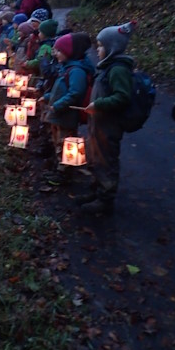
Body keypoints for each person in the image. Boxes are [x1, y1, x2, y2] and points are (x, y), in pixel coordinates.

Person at [77, 21, 137, 215]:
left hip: (109, 125)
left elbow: (122, 97)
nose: (98, 49)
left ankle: (106, 199)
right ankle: (96, 191)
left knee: (107, 160)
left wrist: (99, 105)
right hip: (98, 124)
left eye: (101, 46)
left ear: (111, 48)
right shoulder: (107, 67)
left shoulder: (118, 70)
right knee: (95, 157)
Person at [41, 32, 94, 182]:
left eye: (59, 51)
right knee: (57, 139)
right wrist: (47, 97)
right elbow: (59, 88)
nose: (55, 54)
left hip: (67, 113)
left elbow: (75, 93)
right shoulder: (66, 67)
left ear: (69, 52)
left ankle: (64, 172)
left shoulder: (77, 71)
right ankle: (58, 165)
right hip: (58, 112)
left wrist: (57, 105)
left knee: (65, 141)